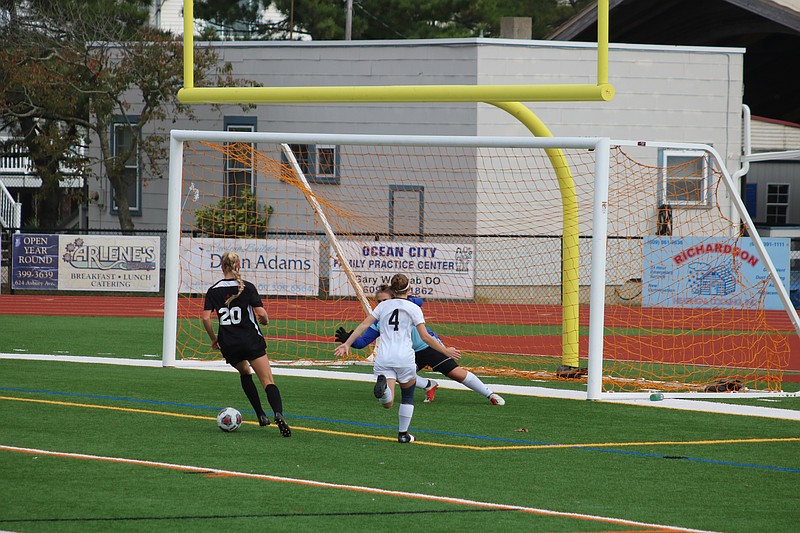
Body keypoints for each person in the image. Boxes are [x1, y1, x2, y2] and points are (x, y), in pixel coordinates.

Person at [334, 274, 460, 443]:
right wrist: (445, 350)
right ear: (409, 289)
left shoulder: (383, 307)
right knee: (407, 396)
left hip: (384, 357)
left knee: (388, 403)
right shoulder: (414, 308)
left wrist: (347, 344)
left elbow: (363, 325)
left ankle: (384, 390)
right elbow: (425, 337)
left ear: (392, 291)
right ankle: (403, 434)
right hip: (404, 358)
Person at [335, 285, 505, 406]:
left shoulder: (410, 306)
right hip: (408, 354)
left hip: (428, 347)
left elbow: (420, 301)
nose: (381, 304)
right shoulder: (380, 318)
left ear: (394, 297)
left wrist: (406, 299)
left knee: (456, 374)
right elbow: (363, 342)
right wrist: (348, 340)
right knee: (398, 377)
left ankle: (490, 394)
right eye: (378, 301)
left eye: (384, 300)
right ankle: (429, 384)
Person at [202, 251, 291, 437]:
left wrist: (213, 338)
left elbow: (205, 318)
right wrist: (265, 321)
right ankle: (278, 414)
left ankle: (260, 414)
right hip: (250, 340)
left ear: (222, 266)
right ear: (239, 266)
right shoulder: (247, 287)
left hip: (229, 343)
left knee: (244, 372)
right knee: (267, 380)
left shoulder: (213, 290)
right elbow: (262, 314)